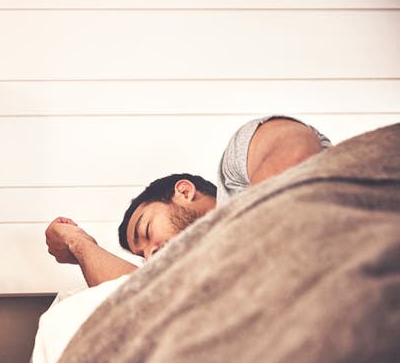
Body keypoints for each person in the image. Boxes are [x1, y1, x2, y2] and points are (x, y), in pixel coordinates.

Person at [45, 115, 331, 287]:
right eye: (143, 255)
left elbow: (297, 156)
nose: (151, 256)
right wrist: (78, 243)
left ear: (183, 192)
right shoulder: (203, 270)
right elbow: (139, 296)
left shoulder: (234, 175)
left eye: (146, 232)